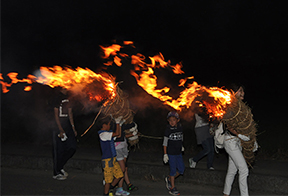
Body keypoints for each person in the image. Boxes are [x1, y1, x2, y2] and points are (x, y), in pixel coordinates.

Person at [223, 85, 250, 196]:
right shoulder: (231, 107)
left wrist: (251, 140)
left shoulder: (240, 107)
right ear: (234, 93)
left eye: (243, 90)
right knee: (244, 170)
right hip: (230, 141)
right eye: (240, 91)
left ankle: (226, 194)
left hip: (236, 141)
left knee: (232, 171)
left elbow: (245, 126)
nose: (243, 92)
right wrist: (239, 134)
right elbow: (228, 125)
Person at [52, 88, 77, 180]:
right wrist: (60, 129)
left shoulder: (69, 98)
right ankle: (56, 172)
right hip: (58, 125)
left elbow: (70, 113)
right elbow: (56, 115)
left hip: (67, 125)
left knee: (72, 147)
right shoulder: (57, 97)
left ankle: (60, 166)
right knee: (59, 150)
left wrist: (73, 127)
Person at [98, 115, 124, 196]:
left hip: (113, 158)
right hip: (107, 160)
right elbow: (116, 133)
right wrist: (117, 123)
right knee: (108, 180)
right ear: (104, 125)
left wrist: (119, 124)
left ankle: (111, 188)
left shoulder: (108, 134)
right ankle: (106, 193)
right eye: (109, 124)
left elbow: (118, 135)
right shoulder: (103, 134)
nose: (109, 126)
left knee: (120, 175)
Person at [163, 111, 185, 196]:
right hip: (171, 154)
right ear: (168, 121)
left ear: (178, 120)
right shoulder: (167, 130)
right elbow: (165, 143)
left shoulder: (180, 128)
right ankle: (172, 187)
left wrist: (181, 146)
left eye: (174, 120)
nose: (172, 122)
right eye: (170, 120)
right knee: (173, 171)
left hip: (178, 153)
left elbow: (181, 138)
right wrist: (165, 154)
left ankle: (169, 179)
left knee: (181, 169)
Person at [114, 121, 138, 196]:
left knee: (125, 168)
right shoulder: (113, 123)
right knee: (122, 169)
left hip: (124, 146)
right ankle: (114, 186)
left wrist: (133, 133)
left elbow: (123, 134)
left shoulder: (121, 122)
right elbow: (118, 135)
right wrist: (119, 124)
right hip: (118, 147)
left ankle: (127, 184)